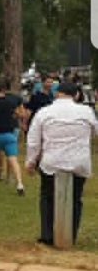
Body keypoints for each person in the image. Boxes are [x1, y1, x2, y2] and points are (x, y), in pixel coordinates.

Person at [26, 80, 98, 246]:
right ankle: (70, 235)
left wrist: (31, 161)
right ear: (77, 95)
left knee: (47, 197)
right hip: (79, 162)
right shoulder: (86, 111)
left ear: (57, 93)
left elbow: (34, 140)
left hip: (52, 162)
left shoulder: (44, 112)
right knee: (76, 198)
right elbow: (95, 131)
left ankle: (47, 235)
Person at [0, 79, 26, 195]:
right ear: (5, 89)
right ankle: (19, 183)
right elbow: (19, 114)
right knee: (13, 159)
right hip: (9, 134)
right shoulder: (11, 102)